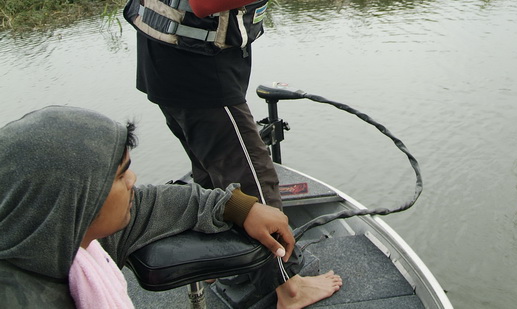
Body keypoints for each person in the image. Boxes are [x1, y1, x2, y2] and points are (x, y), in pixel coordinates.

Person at [122, 0, 337, 306]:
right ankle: (283, 287)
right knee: (253, 185)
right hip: (199, 74)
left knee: (214, 179)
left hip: (165, 63)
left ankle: (237, 273)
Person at [0, 106, 342, 309]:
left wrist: (238, 207)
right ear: (76, 201)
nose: (133, 180)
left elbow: (156, 201)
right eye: (120, 176)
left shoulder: (72, 236)